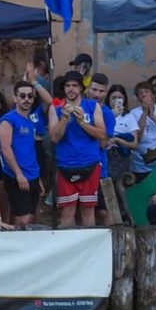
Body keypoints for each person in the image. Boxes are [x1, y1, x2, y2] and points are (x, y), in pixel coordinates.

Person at [48, 71, 110, 229]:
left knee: (88, 210)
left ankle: (89, 244)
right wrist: (64, 119)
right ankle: (68, 244)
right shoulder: (55, 107)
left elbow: (102, 135)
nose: (71, 89)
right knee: (67, 212)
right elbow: (54, 138)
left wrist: (82, 122)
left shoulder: (92, 106)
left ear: (81, 88)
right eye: (68, 86)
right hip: (66, 165)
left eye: (75, 85)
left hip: (90, 164)